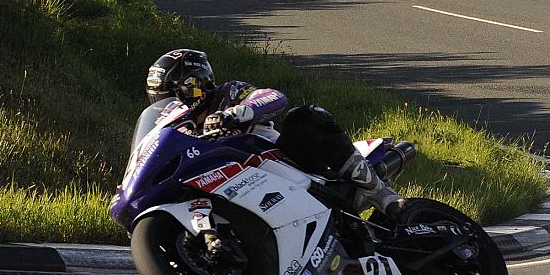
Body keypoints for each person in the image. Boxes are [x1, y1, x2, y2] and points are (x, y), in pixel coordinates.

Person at [144, 48, 402, 217]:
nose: (169, 102)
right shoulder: (176, 125)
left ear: (195, 85)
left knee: (304, 116)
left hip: (281, 160)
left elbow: (272, 97)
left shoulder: (229, 93)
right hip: (231, 186)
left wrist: (234, 114)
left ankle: (381, 194)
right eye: (161, 96)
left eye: (173, 93)